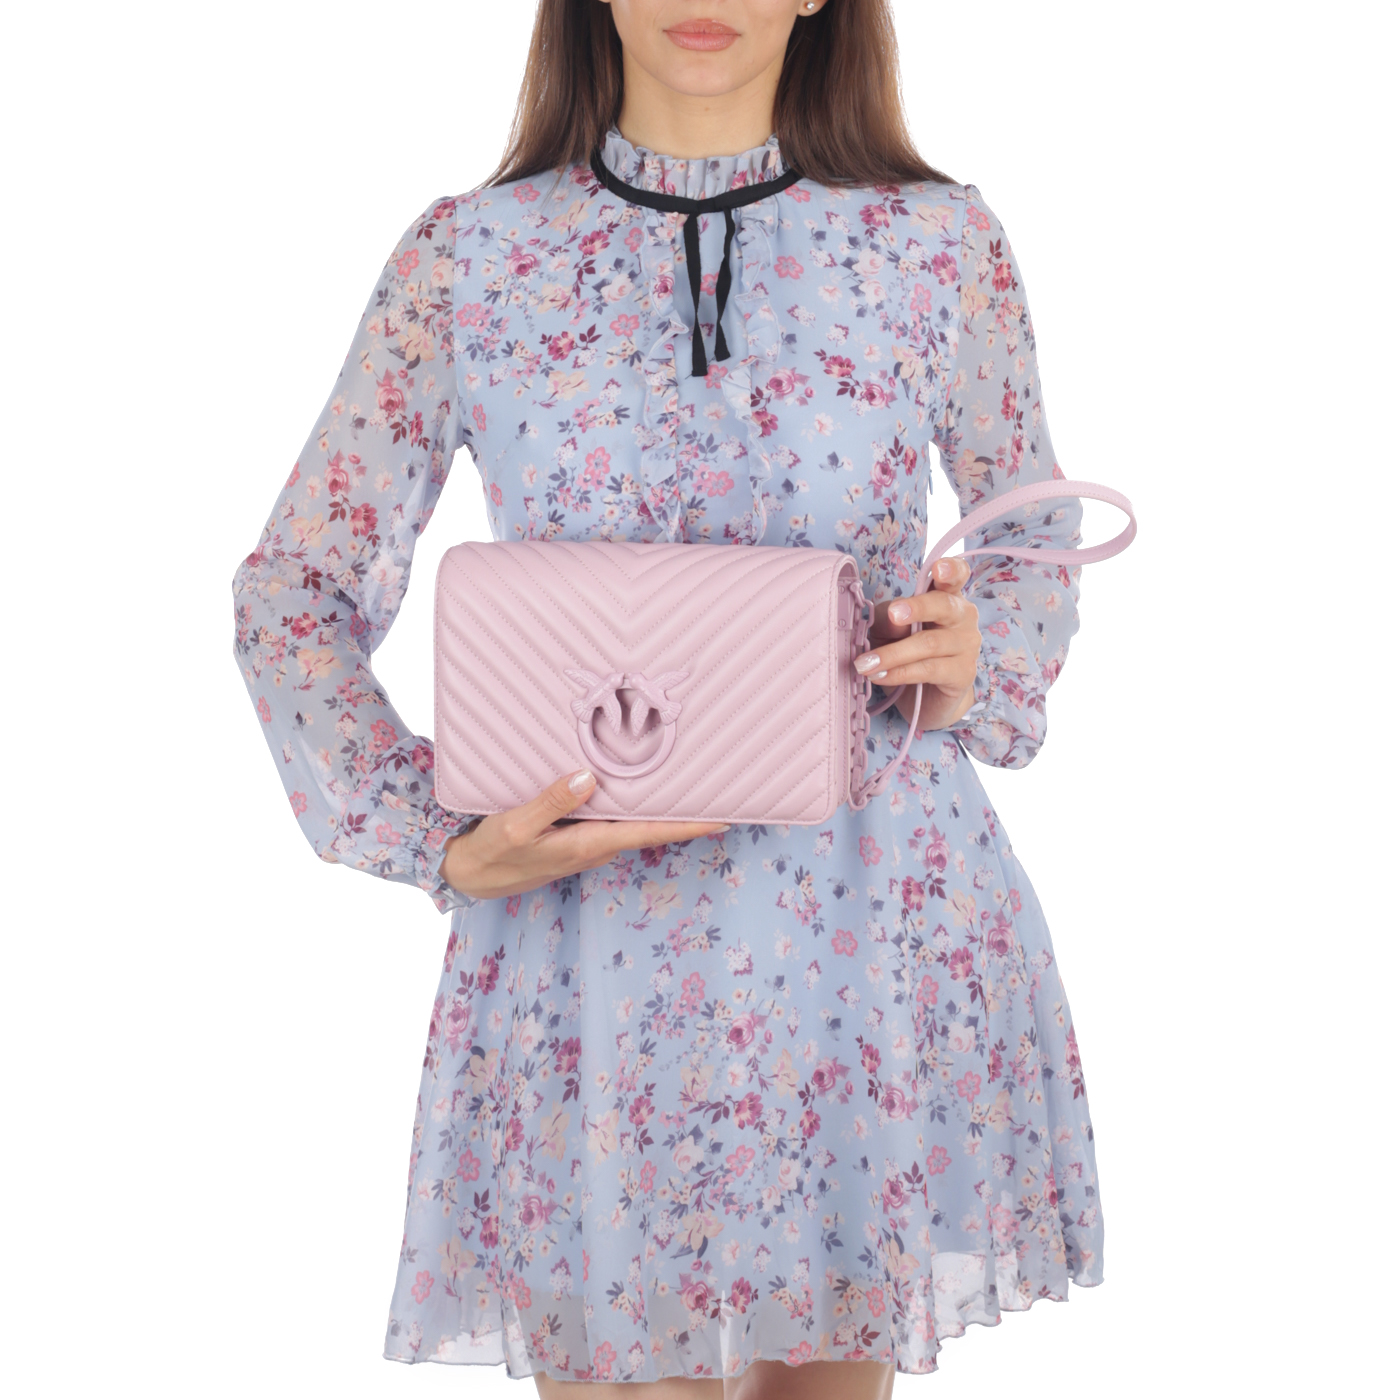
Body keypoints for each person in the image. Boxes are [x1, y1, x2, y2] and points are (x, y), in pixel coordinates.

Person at [230, 2, 1104, 1395]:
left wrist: (970, 659)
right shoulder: (472, 256)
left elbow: (1035, 533)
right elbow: (295, 589)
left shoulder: (937, 242)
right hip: (587, 948)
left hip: (867, 922)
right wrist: (434, 837)